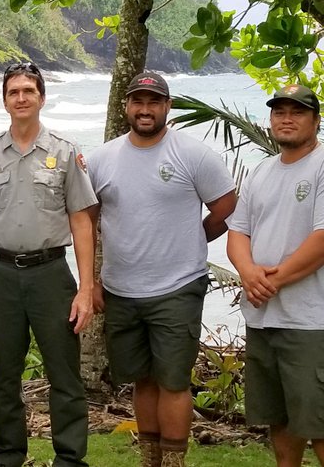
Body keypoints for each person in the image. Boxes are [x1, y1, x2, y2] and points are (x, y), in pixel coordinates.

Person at [86, 72, 236, 467]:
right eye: (138, 101)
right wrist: (91, 283)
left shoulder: (193, 154)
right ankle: (150, 458)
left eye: (154, 102)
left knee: (173, 381)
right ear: (126, 107)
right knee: (142, 379)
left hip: (177, 286)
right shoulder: (102, 159)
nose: (146, 109)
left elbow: (225, 208)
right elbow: (87, 221)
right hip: (121, 288)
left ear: (167, 107)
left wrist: (193, 239)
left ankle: (174, 461)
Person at [0, 62, 96, 467]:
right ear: (4, 100)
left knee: (64, 373)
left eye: (28, 90)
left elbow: (81, 221)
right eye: (13, 92)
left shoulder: (63, 151)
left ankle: (70, 458)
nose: (21, 98)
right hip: (1, 275)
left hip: (50, 275)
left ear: (41, 97)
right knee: (6, 375)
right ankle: (7, 455)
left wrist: (86, 288)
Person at [227, 84, 324, 467]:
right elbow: (238, 232)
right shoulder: (262, 170)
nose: (287, 118)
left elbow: (322, 239)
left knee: (318, 421)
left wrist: (271, 281)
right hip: (264, 318)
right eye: (279, 111)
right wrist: (248, 273)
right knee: (280, 419)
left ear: (315, 120)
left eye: (297, 111)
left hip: (310, 320)